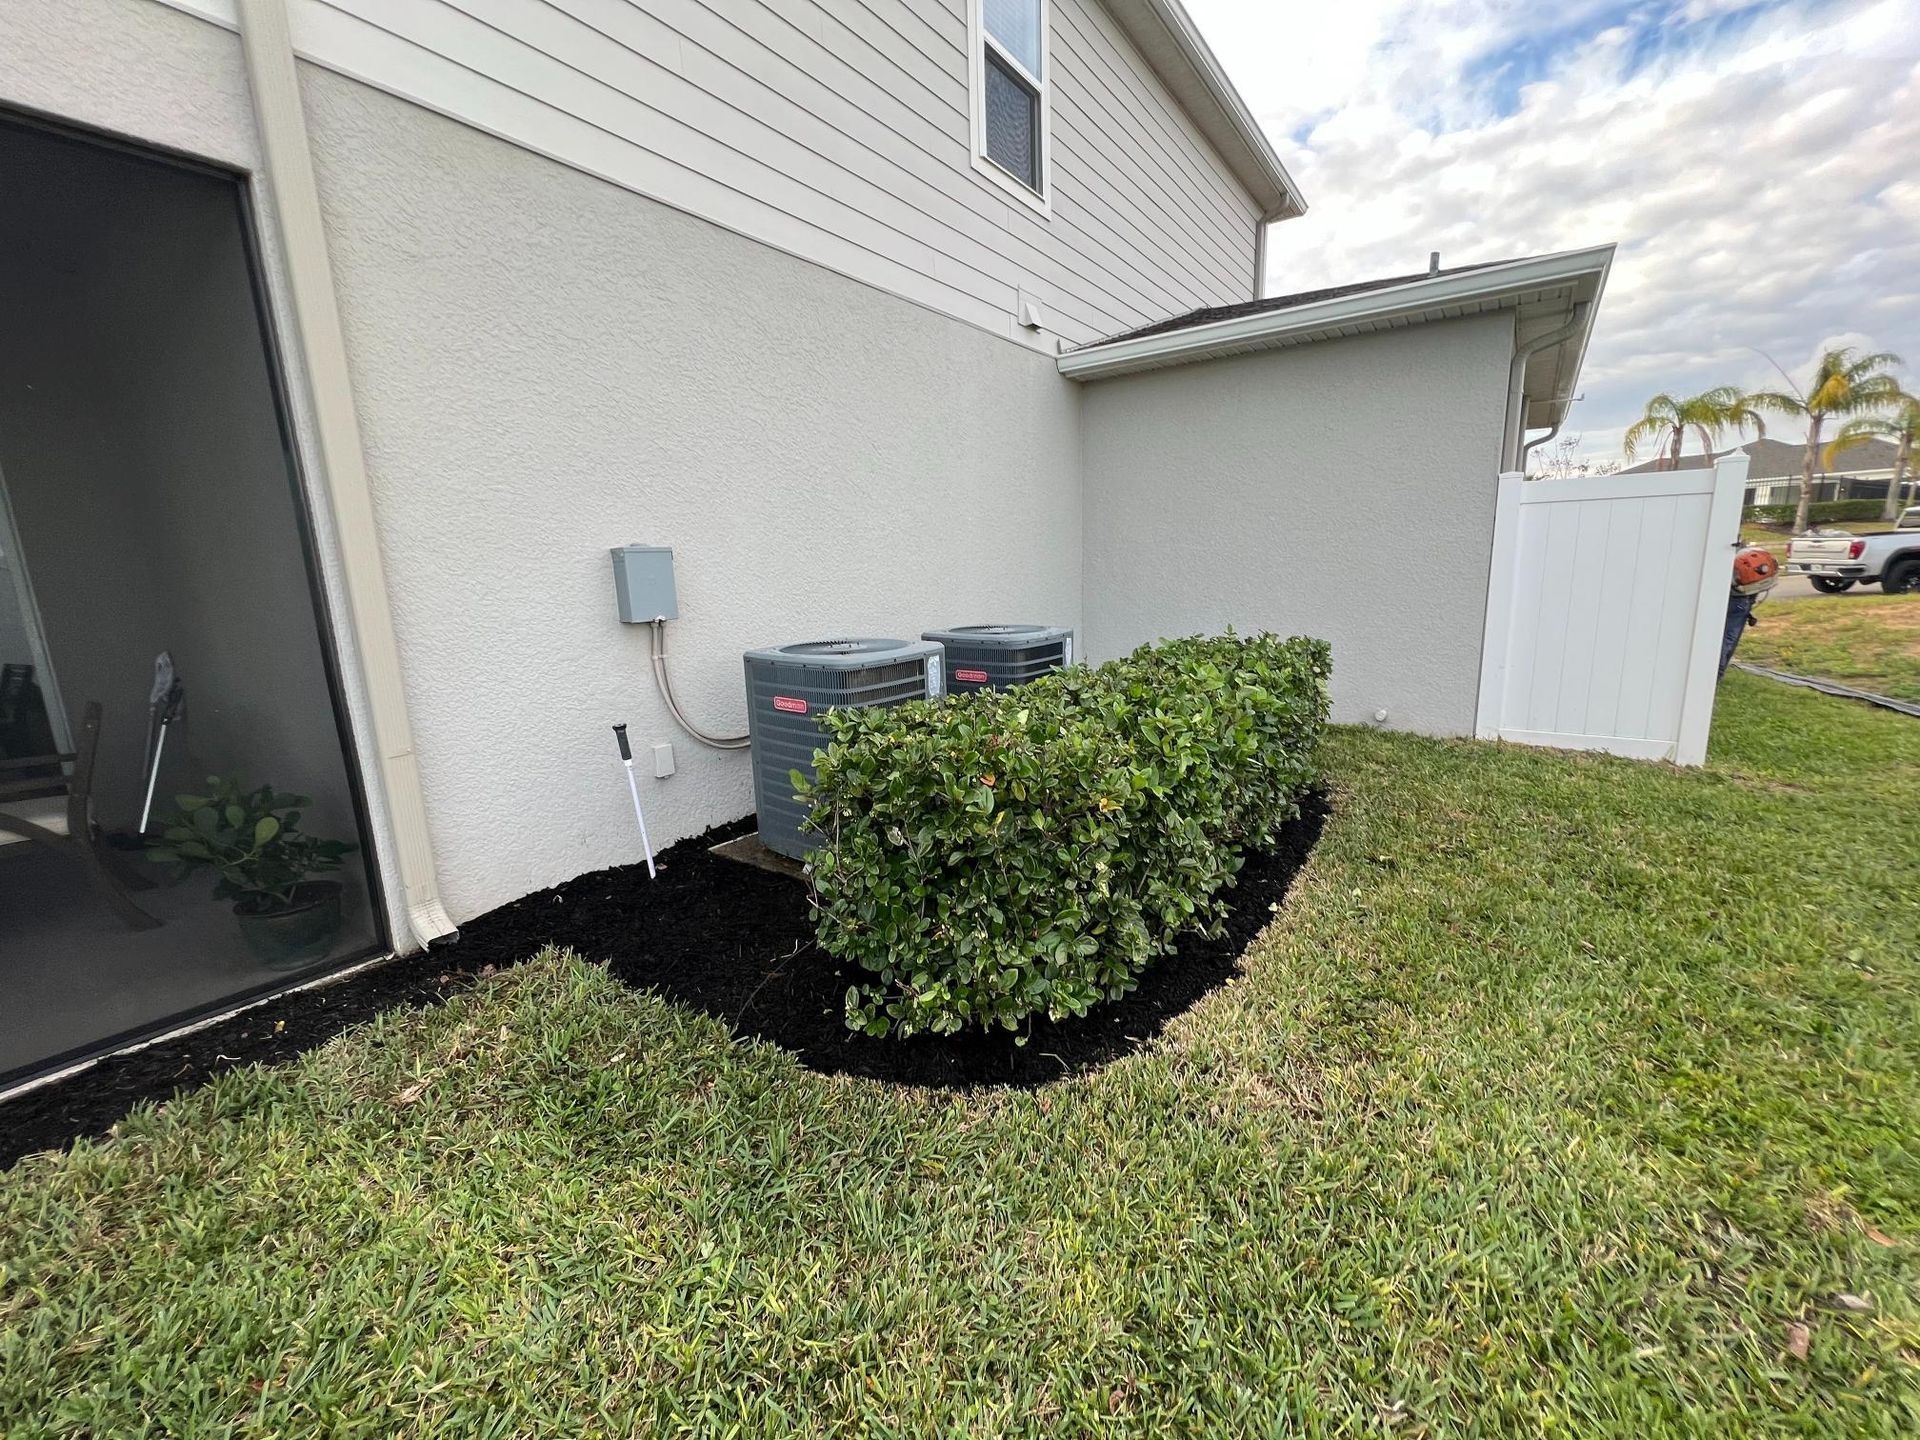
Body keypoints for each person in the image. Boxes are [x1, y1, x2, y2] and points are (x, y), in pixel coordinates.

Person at [1721, 545, 1779, 678]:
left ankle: (1715, 675)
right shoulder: (1741, 555)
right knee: (1728, 638)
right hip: (1741, 598)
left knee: (1726, 638)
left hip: (1738, 596)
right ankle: (1716, 675)